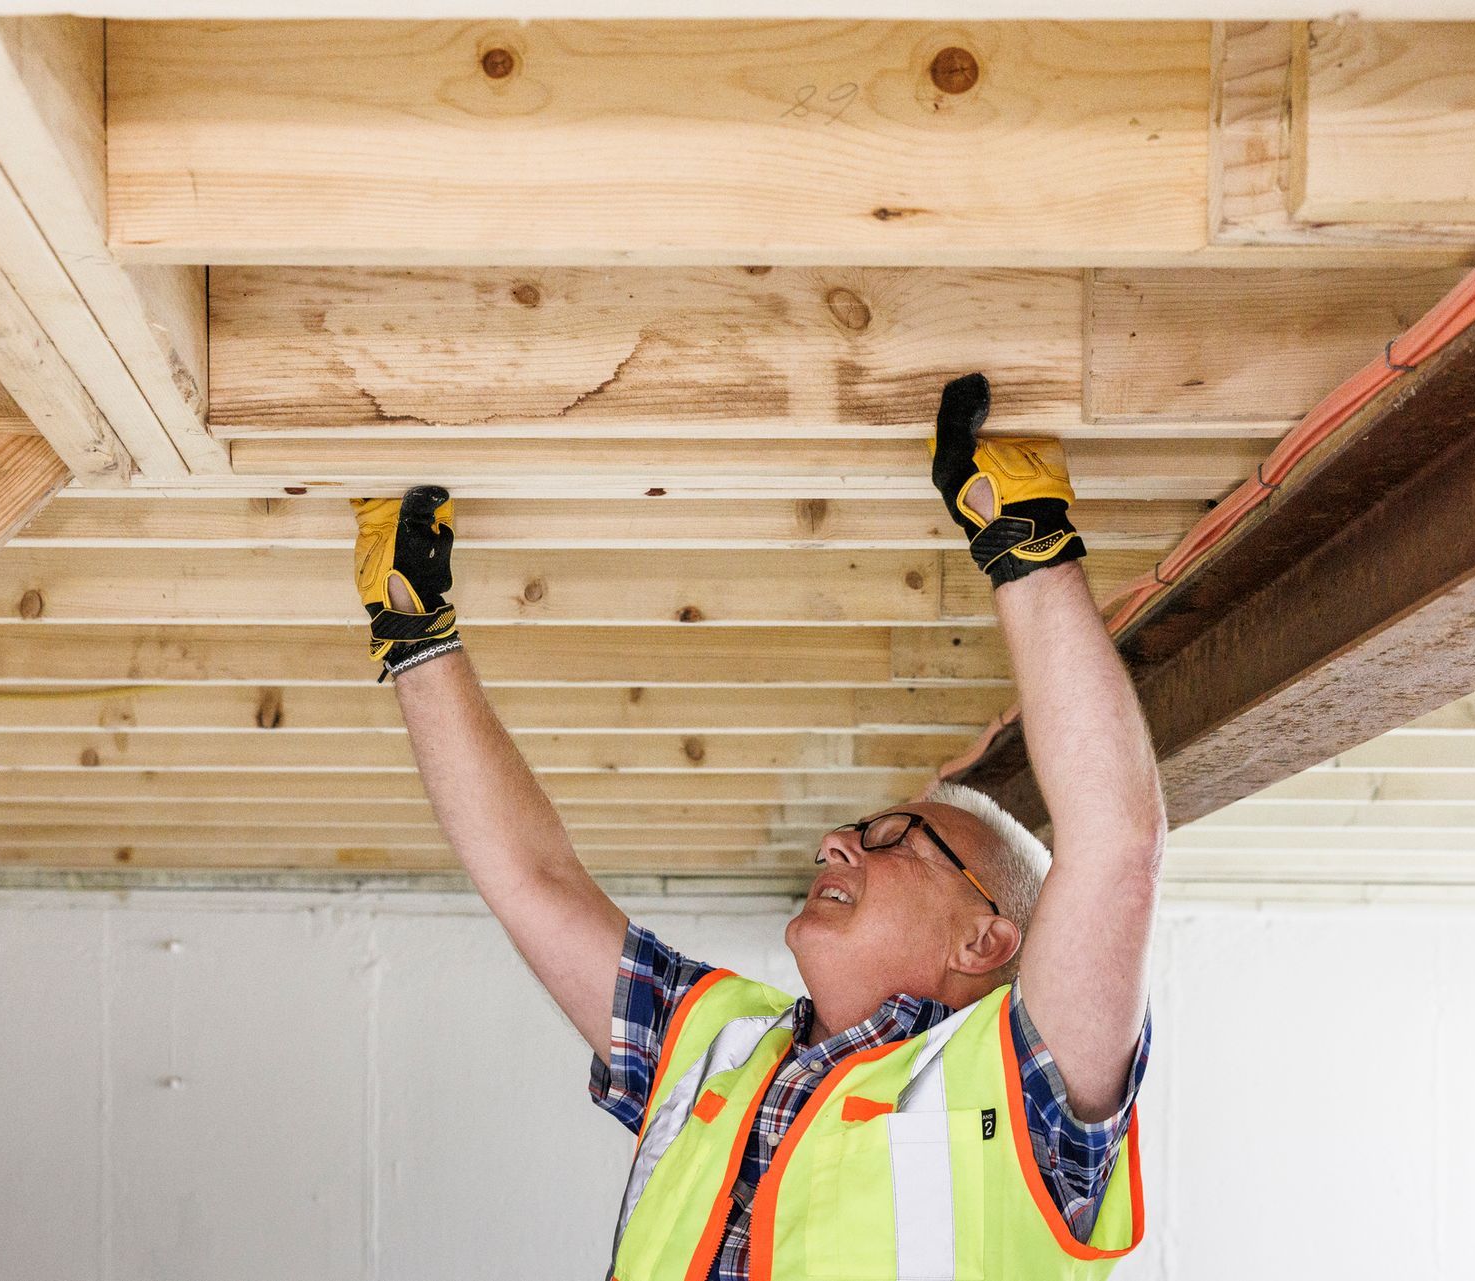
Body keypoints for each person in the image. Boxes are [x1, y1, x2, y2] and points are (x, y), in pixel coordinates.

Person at [348, 373, 1166, 1279]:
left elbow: (1116, 848)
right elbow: (532, 877)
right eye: (864, 831)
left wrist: (1028, 544)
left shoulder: (1027, 1096)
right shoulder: (722, 1042)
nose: (835, 842)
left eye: (889, 835)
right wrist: (417, 636)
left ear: (987, 936)